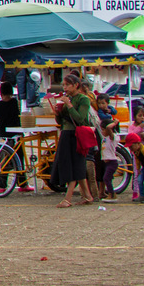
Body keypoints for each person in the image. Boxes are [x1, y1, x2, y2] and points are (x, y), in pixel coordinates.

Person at [50, 75, 98, 207]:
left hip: (76, 135)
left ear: (76, 85)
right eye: (63, 85)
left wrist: (69, 105)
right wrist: (57, 113)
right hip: (66, 133)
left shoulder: (83, 99)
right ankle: (88, 196)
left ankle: (68, 198)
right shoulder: (68, 99)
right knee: (74, 165)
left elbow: (80, 119)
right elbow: (61, 122)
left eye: (67, 85)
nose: (65, 87)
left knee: (75, 165)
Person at [125, 103, 144, 203]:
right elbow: (130, 134)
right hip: (136, 154)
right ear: (135, 116)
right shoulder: (132, 126)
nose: (142, 118)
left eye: (143, 115)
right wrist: (139, 128)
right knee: (136, 173)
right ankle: (136, 192)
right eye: (139, 115)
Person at [95, 95, 120, 201]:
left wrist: (114, 123)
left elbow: (109, 128)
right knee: (106, 178)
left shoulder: (112, 137)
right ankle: (108, 193)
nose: (102, 132)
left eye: (103, 130)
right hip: (107, 162)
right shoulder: (104, 138)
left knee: (106, 178)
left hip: (112, 162)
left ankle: (112, 194)